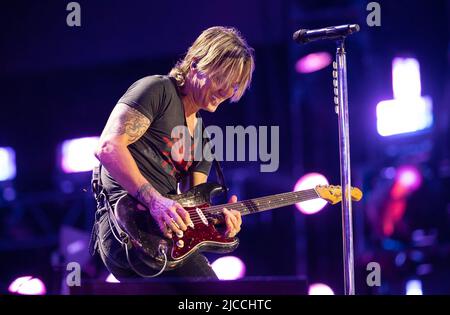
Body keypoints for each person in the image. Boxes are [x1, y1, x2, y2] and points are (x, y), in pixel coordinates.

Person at [91, 26, 255, 280]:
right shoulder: (157, 90)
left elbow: (194, 208)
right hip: (125, 227)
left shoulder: (203, 142)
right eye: (222, 79)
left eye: (234, 86)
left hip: (162, 239)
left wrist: (221, 227)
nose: (226, 92)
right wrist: (155, 201)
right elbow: (108, 147)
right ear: (196, 64)